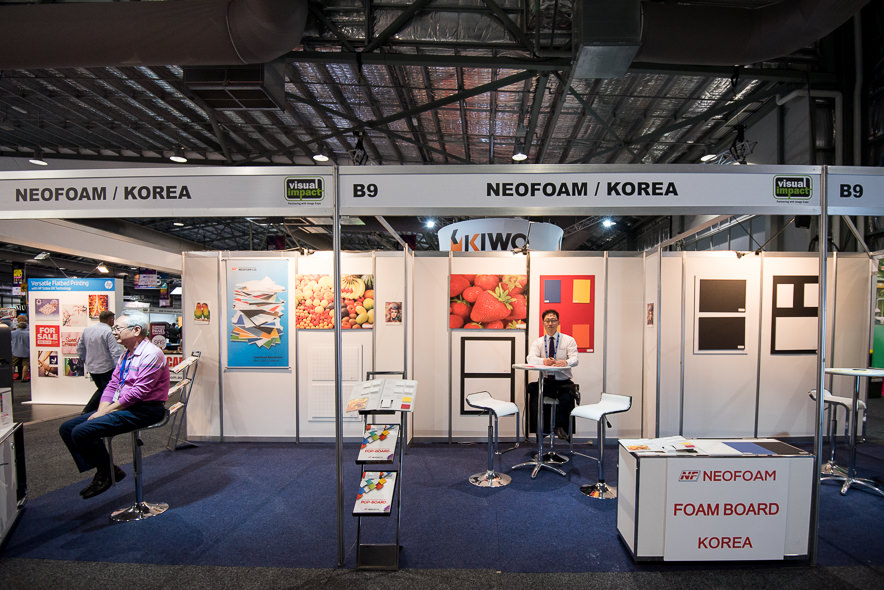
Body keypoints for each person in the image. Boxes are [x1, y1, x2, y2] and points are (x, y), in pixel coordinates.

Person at [59, 310, 170, 499]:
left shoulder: (151, 354)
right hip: (125, 405)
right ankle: (107, 469)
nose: (114, 331)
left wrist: (105, 412)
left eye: (118, 328)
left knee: (82, 431)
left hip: (146, 409)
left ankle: (105, 472)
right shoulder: (126, 354)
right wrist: (102, 409)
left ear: (136, 330)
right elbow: (112, 385)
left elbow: (138, 393)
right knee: (67, 428)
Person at [526, 309, 579, 441]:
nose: (550, 323)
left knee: (567, 399)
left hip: (563, 382)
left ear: (558, 322)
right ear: (543, 323)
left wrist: (566, 362)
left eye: (553, 320)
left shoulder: (568, 340)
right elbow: (530, 358)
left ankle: (561, 429)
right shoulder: (538, 342)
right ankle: (541, 431)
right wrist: (543, 361)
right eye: (547, 321)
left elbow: (575, 359)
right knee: (533, 392)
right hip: (546, 382)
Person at [77, 310, 123, 413]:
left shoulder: (87, 330)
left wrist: (84, 360)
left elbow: (80, 348)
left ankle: (94, 410)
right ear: (110, 319)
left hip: (91, 367)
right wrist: (120, 367)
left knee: (103, 389)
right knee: (106, 389)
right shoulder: (108, 332)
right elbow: (115, 351)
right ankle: (89, 410)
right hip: (106, 367)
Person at [10, 314, 30, 382]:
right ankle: (23, 378)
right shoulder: (29, 333)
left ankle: (10, 378)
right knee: (26, 365)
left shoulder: (12, 333)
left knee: (13, 365)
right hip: (26, 351)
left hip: (15, 351)